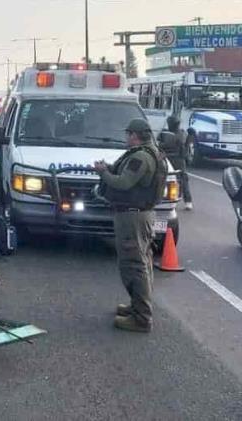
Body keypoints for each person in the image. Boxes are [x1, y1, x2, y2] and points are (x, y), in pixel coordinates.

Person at [94, 118, 166, 333]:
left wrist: (103, 173)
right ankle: (137, 307)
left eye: (128, 134)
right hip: (137, 215)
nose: (126, 138)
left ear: (134, 135)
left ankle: (142, 318)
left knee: (134, 265)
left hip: (133, 217)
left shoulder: (141, 156)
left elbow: (124, 183)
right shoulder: (148, 152)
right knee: (140, 261)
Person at [158, 115, 193, 210]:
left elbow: (159, 145)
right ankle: (188, 201)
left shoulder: (165, 133)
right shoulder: (181, 134)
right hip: (176, 159)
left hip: (170, 159)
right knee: (182, 180)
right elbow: (185, 148)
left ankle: (187, 201)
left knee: (168, 179)